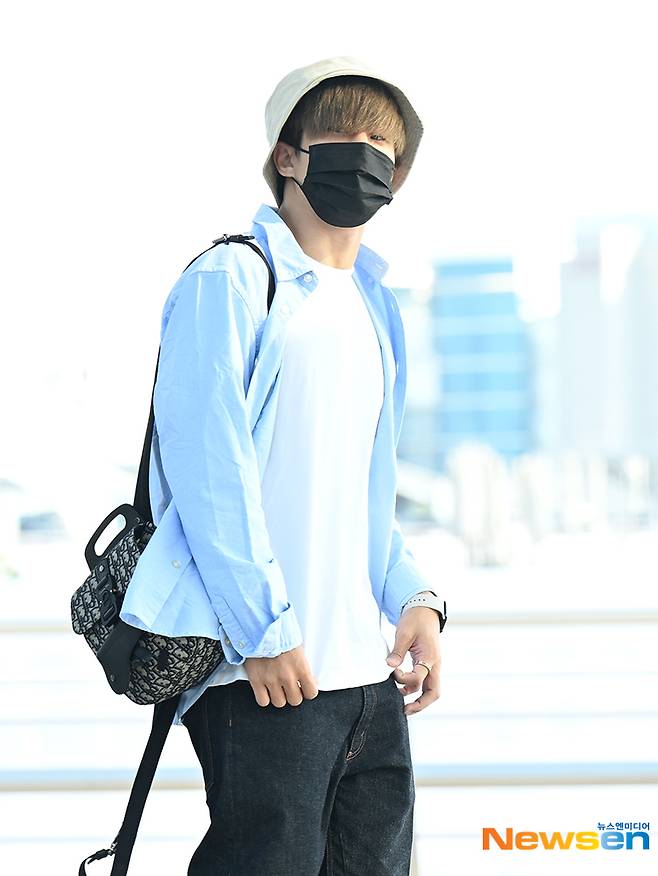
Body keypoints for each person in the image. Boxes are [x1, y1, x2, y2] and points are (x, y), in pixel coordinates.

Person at [120, 54, 448, 875]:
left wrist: (413, 598)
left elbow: (362, 490)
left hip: (367, 682)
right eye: (344, 141)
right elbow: (210, 476)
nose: (365, 162)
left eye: (383, 150)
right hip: (264, 674)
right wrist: (263, 632)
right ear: (287, 156)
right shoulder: (231, 279)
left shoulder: (376, 305)